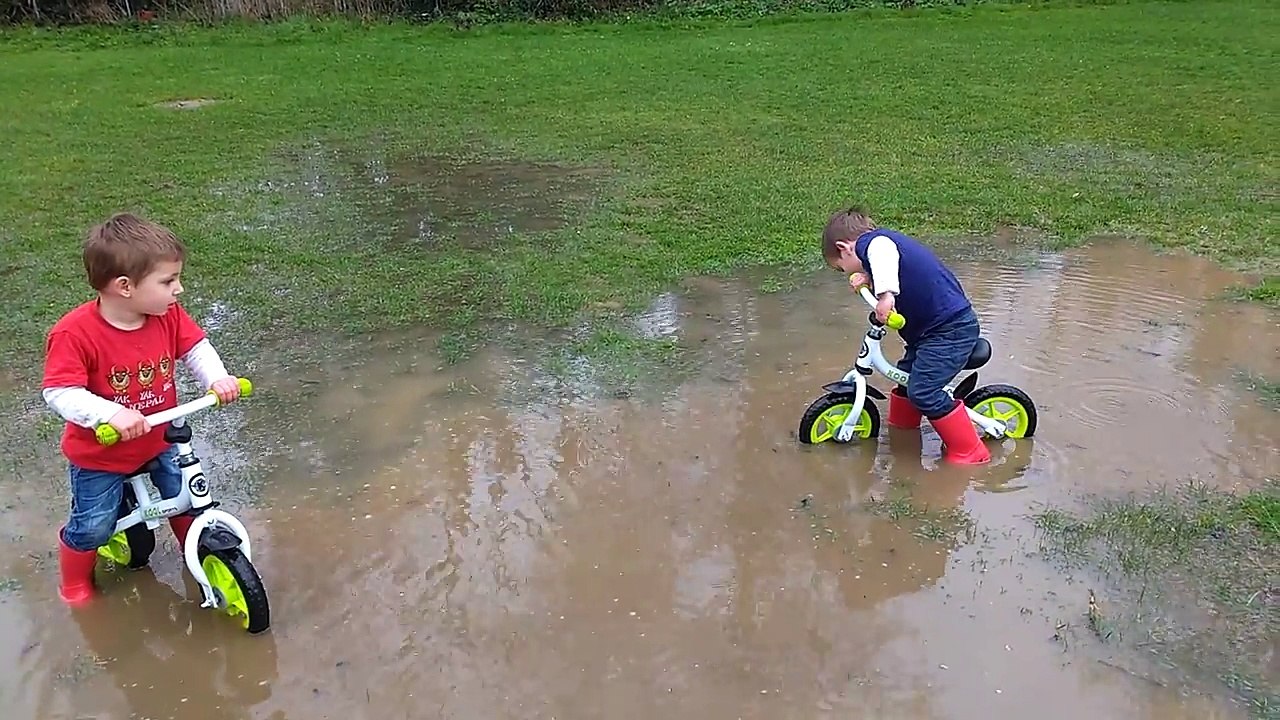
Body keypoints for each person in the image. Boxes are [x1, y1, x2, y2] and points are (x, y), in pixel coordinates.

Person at [41, 212, 243, 605]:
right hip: (101, 453)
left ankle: (197, 549)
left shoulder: (167, 316)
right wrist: (110, 414)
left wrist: (217, 378)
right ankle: (74, 583)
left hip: (162, 438)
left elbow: (196, 348)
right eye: (168, 281)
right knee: (95, 527)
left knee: (187, 496)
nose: (179, 289)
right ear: (125, 287)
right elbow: (60, 391)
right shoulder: (75, 333)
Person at [821, 207, 990, 464]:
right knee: (907, 378)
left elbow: (883, 253)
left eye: (840, 267)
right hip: (930, 332)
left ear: (844, 248)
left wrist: (886, 294)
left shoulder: (872, 243)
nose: (846, 272)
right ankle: (902, 430)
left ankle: (971, 451)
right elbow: (891, 265)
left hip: (950, 330)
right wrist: (869, 277)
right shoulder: (878, 251)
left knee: (924, 391)